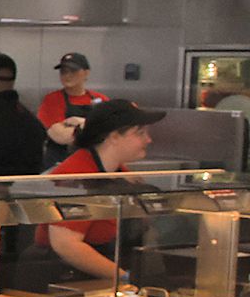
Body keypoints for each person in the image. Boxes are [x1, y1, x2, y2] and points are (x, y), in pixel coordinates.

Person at [32, 98, 168, 286]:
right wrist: (125, 278)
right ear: (113, 136)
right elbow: (66, 245)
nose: (148, 139)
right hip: (63, 281)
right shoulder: (75, 177)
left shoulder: (121, 174)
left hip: (100, 279)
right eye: (140, 133)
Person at [37, 51, 109, 167]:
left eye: (73, 71)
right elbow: (60, 135)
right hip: (59, 164)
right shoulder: (52, 100)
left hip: (91, 164)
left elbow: (109, 136)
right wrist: (94, 128)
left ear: (86, 73)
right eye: (64, 72)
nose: (67, 75)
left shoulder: (101, 99)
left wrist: (80, 123)